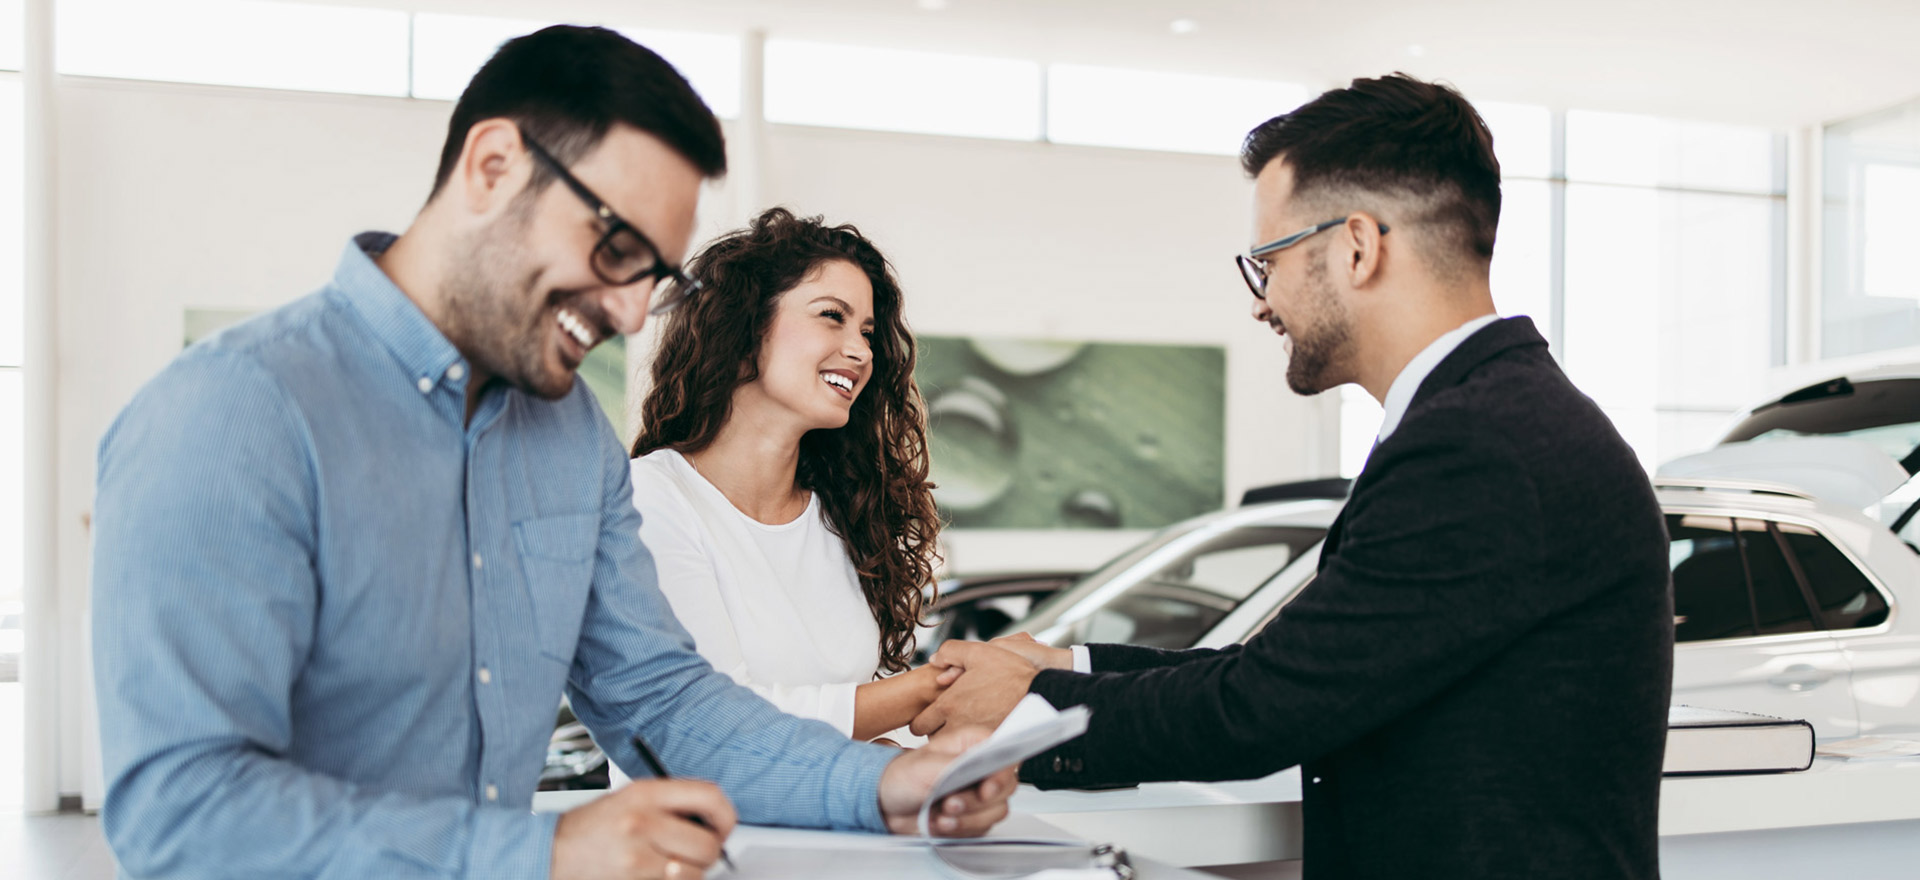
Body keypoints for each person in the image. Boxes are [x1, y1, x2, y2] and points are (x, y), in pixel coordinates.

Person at [91, 26, 1012, 880]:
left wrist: (882, 785)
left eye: (653, 274)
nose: (627, 310)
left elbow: (662, 705)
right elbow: (183, 809)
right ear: (493, 166)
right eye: (615, 247)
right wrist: (542, 851)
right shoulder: (231, 416)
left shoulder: (568, 436)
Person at [911, 74, 1674, 880]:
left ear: (1357, 248)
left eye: (1266, 263)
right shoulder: (1492, 416)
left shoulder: (1479, 441)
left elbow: (1263, 708)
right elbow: (1302, 666)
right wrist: (1062, 669)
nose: (1260, 302)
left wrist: (1030, 705)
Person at [628, 207, 945, 746]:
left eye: (867, 332)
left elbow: (852, 712)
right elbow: (711, 722)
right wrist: (930, 689)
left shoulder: (842, 516)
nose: (861, 350)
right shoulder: (648, 498)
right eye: (832, 316)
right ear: (745, 328)